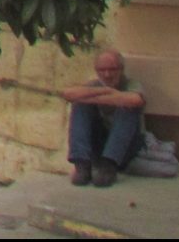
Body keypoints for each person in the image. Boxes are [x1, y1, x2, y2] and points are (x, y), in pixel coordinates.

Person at [62, 50, 147, 186]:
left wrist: (108, 97)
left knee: (127, 106)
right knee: (80, 103)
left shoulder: (131, 84)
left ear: (121, 69)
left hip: (127, 147)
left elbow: (135, 100)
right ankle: (82, 164)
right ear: (96, 71)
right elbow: (67, 94)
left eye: (112, 69)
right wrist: (105, 90)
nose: (107, 75)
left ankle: (109, 166)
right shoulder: (95, 85)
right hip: (100, 143)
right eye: (102, 70)